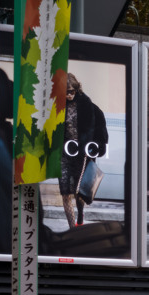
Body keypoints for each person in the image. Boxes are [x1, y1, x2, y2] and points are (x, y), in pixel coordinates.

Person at [60, 74, 109, 230]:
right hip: (64, 153)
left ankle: (80, 214)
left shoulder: (90, 108)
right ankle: (72, 228)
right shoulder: (57, 107)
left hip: (82, 155)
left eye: (72, 91)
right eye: (66, 92)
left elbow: (101, 134)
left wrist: (96, 147)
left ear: (77, 89)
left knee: (79, 191)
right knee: (65, 191)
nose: (69, 95)